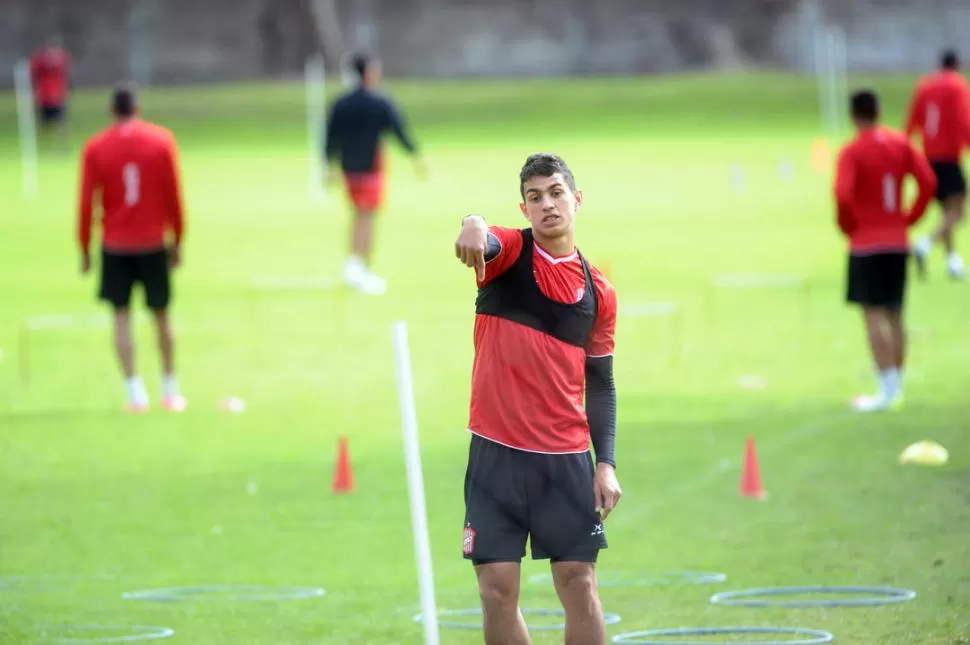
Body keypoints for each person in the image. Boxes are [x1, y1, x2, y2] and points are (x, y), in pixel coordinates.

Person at [454, 153, 621, 645]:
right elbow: (483, 237)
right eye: (535, 197)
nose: (547, 204)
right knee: (497, 592)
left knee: (580, 585)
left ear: (577, 199)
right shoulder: (506, 254)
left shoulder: (599, 292)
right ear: (524, 209)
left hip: (565, 459)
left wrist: (606, 462)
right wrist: (472, 224)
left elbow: (602, 383)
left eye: (556, 193)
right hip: (495, 456)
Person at [78, 85, 187, 413]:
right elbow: (174, 195)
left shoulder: (95, 147)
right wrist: (178, 238)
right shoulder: (161, 141)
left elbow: (86, 203)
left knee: (121, 317)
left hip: (115, 246)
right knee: (162, 316)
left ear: (112, 111)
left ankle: (134, 392)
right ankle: (170, 389)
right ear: (137, 108)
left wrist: (84, 247)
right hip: (153, 242)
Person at [836, 90, 937, 413]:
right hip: (897, 240)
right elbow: (928, 182)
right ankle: (896, 387)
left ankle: (886, 389)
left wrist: (848, 225)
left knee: (873, 315)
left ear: (853, 116)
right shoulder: (900, 144)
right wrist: (910, 217)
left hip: (866, 243)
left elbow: (842, 194)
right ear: (879, 111)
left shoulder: (852, 151)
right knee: (895, 314)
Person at [323, 52, 426, 296]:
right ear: (368, 73)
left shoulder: (341, 103)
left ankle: (354, 264)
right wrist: (416, 156)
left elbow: (330, 138)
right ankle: (362, 269)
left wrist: (328, 166)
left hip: (349, 169)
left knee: (358, 214)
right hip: (371, 168)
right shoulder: (380, 102)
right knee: (367, 217)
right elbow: (399, 131)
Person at [904, 48, 970, 280]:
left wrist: (907, 144)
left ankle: (952, 261)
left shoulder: (925, 85)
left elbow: (913, 117)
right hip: (949, 157)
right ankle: (925, 243)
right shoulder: (957, 85)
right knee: (959, 211)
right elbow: (964, 119)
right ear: (957, 65)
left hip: (929, 156)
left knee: (947, 211)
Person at [29, 34, 72, 152]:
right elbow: (34, 73)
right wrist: (36, 93)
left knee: (61, 122)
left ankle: (63, 147)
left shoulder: (62, 59)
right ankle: (40, 147)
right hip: (44, 96)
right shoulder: (40, 60)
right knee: (42, 122)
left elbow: (65, 77)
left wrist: (64, 92)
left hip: (57, 96)